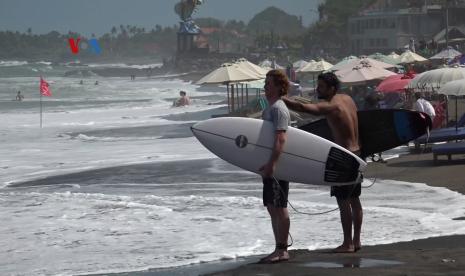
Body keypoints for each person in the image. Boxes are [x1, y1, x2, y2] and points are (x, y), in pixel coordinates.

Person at [283, 72, 363, 253]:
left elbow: (306, 109)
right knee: (355, 200)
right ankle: (356, 241)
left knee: (343, 202)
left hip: (343, 157)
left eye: (321, 87)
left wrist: (283, 99)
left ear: (332, 89)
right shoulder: (347, 99)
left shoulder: (331, 106)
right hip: (358, 153)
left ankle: (347, 243)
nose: (317, 89)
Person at [258, 69, 291, 264]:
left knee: (280, 207)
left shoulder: (279, 109)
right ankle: (277, 247)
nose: (265, 86)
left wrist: (272, 165)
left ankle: (282, 250)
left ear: (279, 87)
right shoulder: (270, 108)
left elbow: (281, 139)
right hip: (269, 165)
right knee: (272, 207)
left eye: (269, 84)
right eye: (265, 83)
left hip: (278, 166)